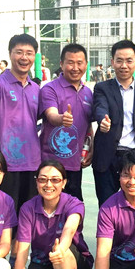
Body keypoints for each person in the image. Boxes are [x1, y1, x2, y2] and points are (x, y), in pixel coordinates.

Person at [10, 160, 94, 269]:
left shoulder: (74, 204)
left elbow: (69, 230)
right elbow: (22, 251)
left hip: (75, 261)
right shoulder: (28, 208)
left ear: (64, 183)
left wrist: (60, 249)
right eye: (43, 179)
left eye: (55, 180)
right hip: (43, 261)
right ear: (36, 182)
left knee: (61, 254)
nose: (48, 185)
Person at [0, 33, 41, 210]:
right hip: (5, 165)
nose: (24, 57)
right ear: (10, 53)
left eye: (29, 53)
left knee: (28, 215)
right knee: (4, 216)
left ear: (34, 56)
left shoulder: (36, 89)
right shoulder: (0, 82)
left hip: (32, 163)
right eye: (19, 52)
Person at [92, 40, 135, 207]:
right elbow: (100, 106)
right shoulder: (102, 88)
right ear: (112, 62)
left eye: (129, 60)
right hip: (108, 157)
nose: (124, 65)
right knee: (107, 206)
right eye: (119, 60)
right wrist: (102, 120)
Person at [38, 44, 93, 201]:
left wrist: (91, 146)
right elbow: (51, 114)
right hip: (50, 164)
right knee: (48, 207)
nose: (75, 68)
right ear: (61, 64)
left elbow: (88, 124)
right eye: (70, 62)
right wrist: (61, 119)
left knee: (74, 207)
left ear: (86, 65)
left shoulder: (88, 93)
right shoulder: (50, 89)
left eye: (79, 63)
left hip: (75, 164)